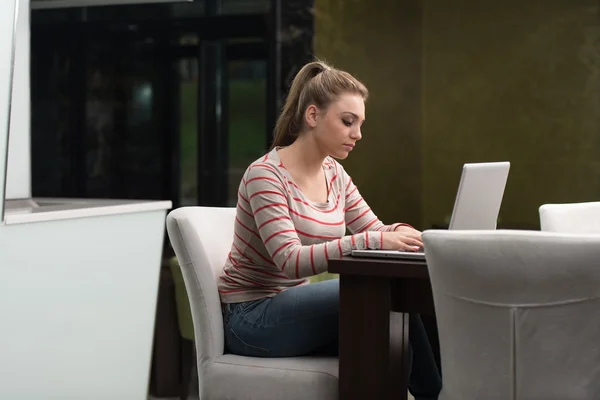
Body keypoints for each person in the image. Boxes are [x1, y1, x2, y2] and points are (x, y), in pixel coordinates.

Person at [217, 59, 442, 399]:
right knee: (385, 297)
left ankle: (439, 392)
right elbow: (290, 261)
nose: (358, 134)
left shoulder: (334, 173)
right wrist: (375, 239)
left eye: (361, 124)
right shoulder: (265, 176)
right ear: (312, 116)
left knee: (397, 329)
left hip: (293, 310)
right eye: (348, 121)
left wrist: (412, 235)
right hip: (251, 318)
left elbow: (375, 227)